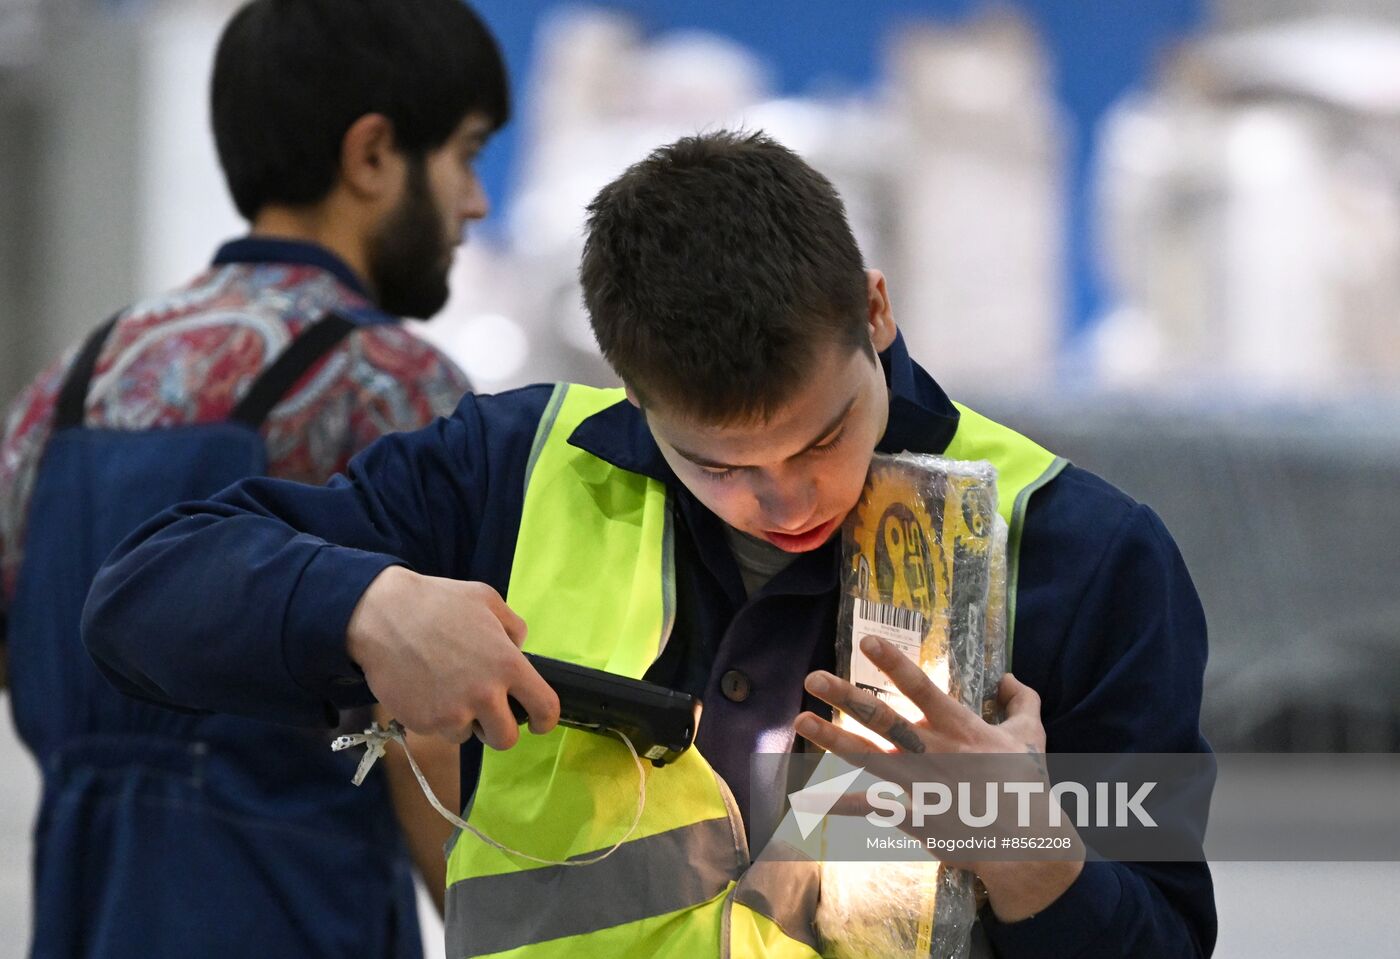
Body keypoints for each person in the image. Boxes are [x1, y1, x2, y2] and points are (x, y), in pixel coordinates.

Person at [84, 131, 1217, 958]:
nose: (780, 501)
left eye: (821, 436)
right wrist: (362, 606)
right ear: (632, 386)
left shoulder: (1083, 554)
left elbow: (1161, 935)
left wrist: (1031, 853)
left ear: (873, 309)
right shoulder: (509, 471)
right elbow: (141, 597)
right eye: (717, 465)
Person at [0, 0, 510, 955]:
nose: (475, 203)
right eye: (466, 157)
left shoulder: (64, 387)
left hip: (79, 919)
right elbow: (433, 740)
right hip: (301, 920)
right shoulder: (395, 387)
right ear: (372, 157)